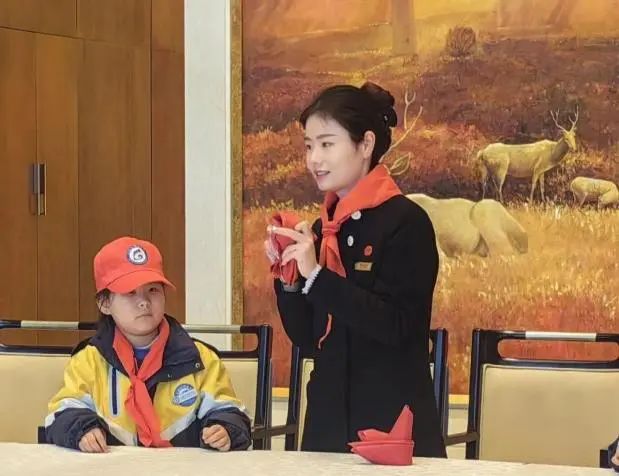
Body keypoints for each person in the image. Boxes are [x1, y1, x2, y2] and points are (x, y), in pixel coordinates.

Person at [266, 82, 446, 457]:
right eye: (308, 146)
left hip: (389, 420)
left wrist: (318, 277)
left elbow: (397, 325)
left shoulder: (406, 222)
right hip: (327, 423)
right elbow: (308, 338)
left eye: (327, 144)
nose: (314, 159)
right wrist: (290, 280)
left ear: (365, 145)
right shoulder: (323, 229)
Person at [46, 236, 251, 452]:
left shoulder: (199, 358)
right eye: (130, 292)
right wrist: (82, 430)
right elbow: (62, 412)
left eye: (153, 290)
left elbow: (230, 411)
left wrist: (226, 429)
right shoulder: (88, 361)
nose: (144, 302)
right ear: (104, 303)